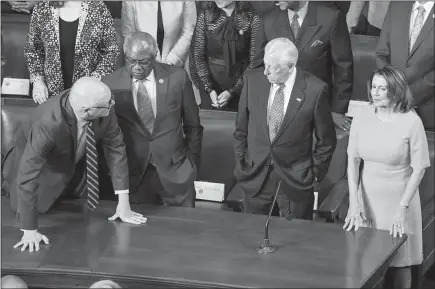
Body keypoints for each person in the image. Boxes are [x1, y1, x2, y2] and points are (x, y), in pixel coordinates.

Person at [2, 77, 147, 253]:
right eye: (108, 104)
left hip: (74, 168)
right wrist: (29, 230)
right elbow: (27, 175)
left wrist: (124, 203)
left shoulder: (102, 105)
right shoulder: (48, 122)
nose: (113, 104)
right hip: (36, 171)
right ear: (87, 111)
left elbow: (115, 148)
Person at [343, 66, 430, 289]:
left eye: (383, 88)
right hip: (367, 200)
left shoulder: (411, 121)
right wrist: (354, 202)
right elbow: (352, 160)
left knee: (399, 266)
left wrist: (402, 208)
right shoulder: (362, 116)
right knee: (365, 266)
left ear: (396, 91)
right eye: (374, 87)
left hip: (400, 202)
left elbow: (419, 169)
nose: (376, 93)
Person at [234, 38, 336, 220]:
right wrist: (242, 161)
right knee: (251, 237)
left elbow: (326, 140)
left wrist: (314, 174)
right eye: (265, 64)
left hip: (295, 182)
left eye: (272, 67)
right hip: (255, 177)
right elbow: (241, 129)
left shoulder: (315, 90)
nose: (265, 72)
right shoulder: (252, 80)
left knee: (294, 241)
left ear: (290, 66)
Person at [102, 32, 203, 208]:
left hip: (176, 172)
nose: (136, 67)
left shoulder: (177, 78)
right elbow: (106, 135)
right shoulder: (111, 84)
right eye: (131, 61)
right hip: (134, 175)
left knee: (184, 231)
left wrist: (191, 164)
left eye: (143, 62)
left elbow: (193, 126)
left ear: (154, 56)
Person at [253, 1, 354, 132]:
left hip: (316, 106)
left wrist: (337, 110)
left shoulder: (331, 17)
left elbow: (343, 67)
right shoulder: (268, 19)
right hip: (278, 107)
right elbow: (258, 66)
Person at [24, 1, 119, 104]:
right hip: (50, 94)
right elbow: (33, 49)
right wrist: (38, 81)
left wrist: (94, 80)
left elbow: (111, 51)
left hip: (87, 95)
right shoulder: (43, 7)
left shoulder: (98, 8)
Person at [189, 1, 260, 111]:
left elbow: (254, 61)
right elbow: (198, 56)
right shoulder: (205, 16)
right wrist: (209, 88)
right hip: (211, 87)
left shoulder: (252, 18)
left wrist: (233, 91)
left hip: (242, 86)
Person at [376, 0, 434, 131]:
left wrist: (409, 95)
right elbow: (382, 53)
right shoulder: (397, 5)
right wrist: (391, 88)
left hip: (428, 112)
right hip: (391, 106)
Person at [121, 1, 196, 69]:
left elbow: (189, 31)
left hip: (176, 63)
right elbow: (129, 35)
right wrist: (148, 60)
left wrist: (173, 60)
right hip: (143, 64)